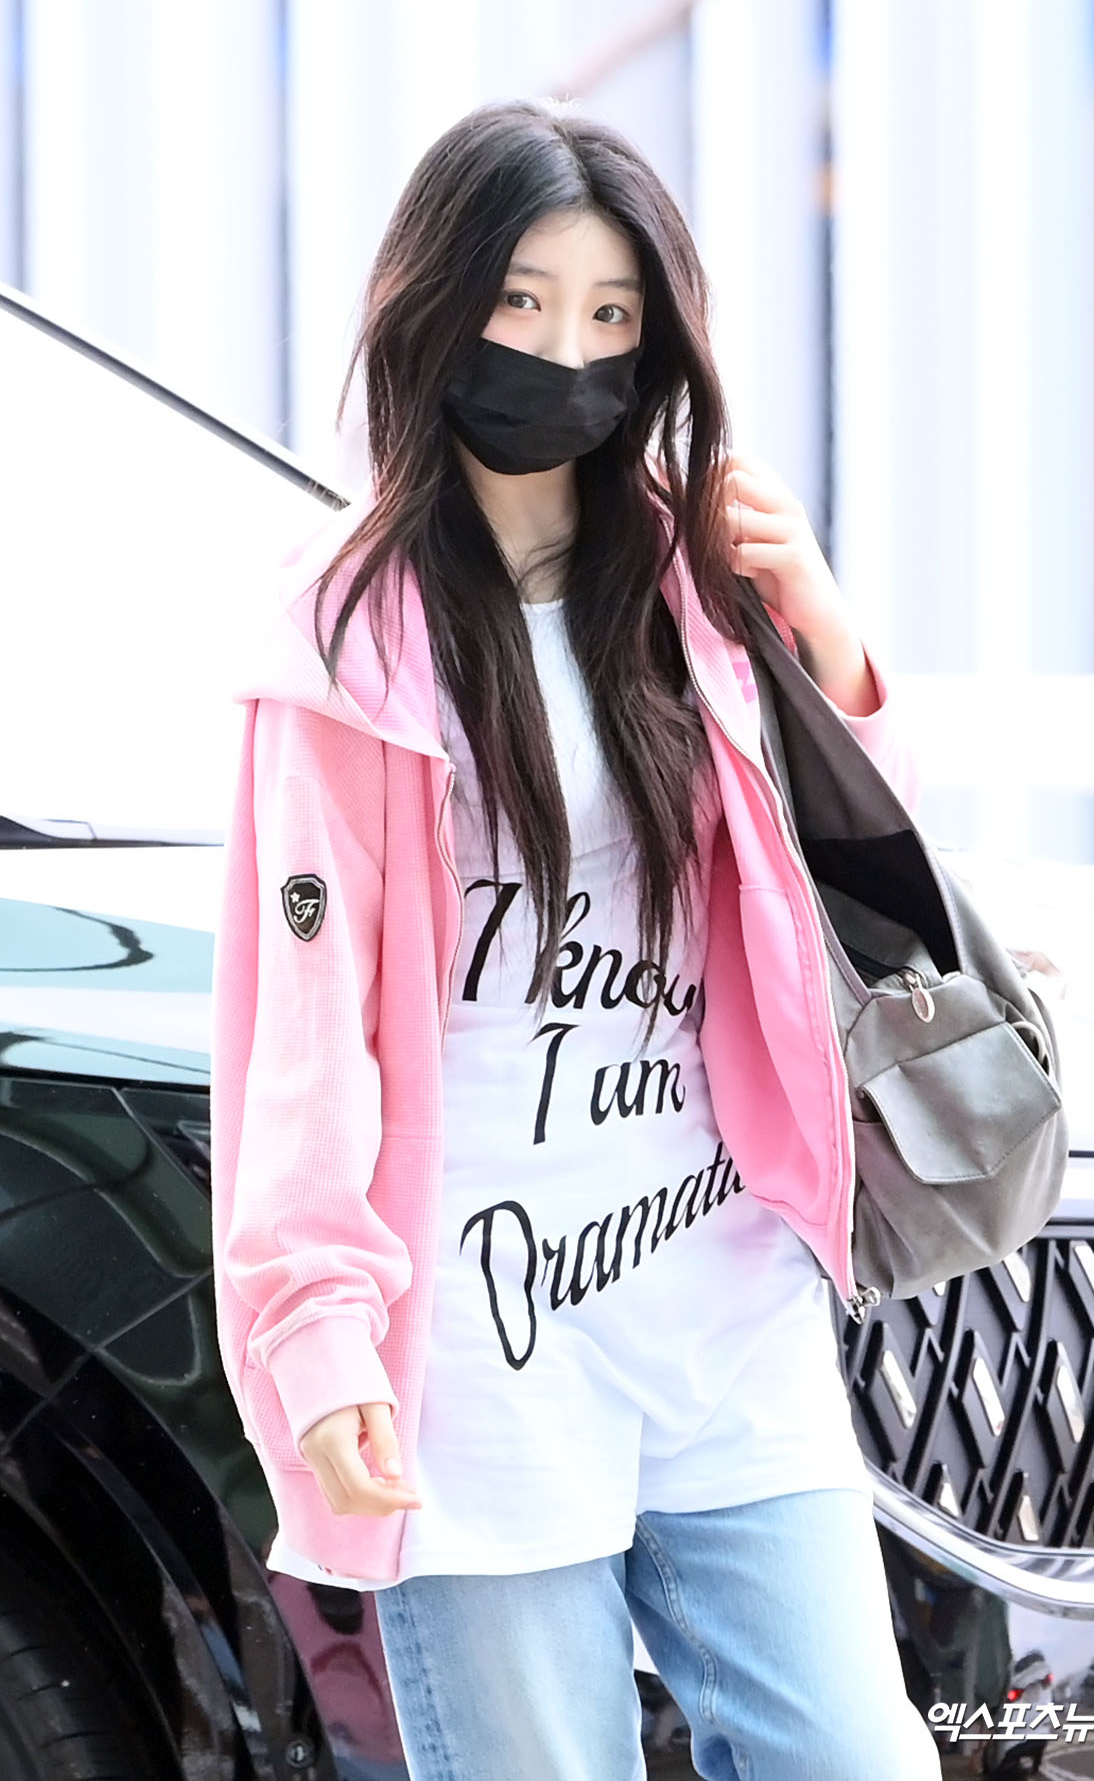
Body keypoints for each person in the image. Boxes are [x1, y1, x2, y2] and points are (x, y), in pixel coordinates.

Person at [210, 97, 941, 1781]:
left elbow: (849, 879)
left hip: (724, 1300)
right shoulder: (345, 634)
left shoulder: (690, 581)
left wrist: (823, 632)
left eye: (611, 316)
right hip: (482, 1346)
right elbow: (301, 1037)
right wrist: (317, 1333)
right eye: (524, 301)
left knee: (857, 1757)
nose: (565, 352)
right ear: (437, 300)